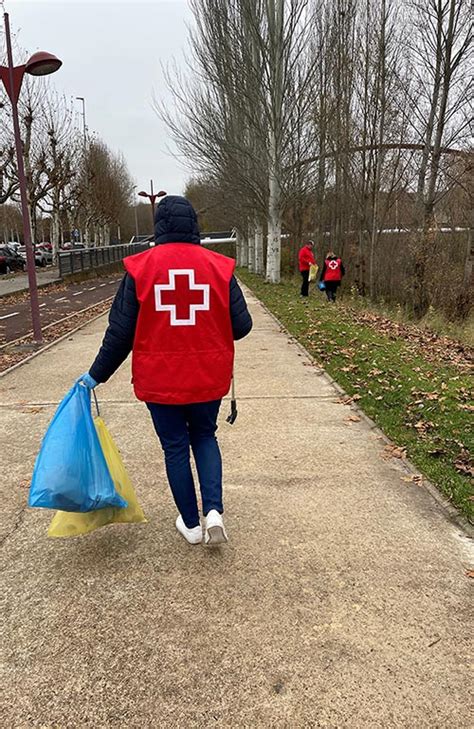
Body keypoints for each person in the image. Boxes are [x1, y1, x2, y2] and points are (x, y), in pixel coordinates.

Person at [76, 195, 252, 546]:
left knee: (175, 447)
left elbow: (120, 333)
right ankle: (214, 511)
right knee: (205, 436)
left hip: (160, 379)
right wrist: (208, 326)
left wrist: (95, 375)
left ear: (159, 227)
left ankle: (190, 524)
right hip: (207, 375)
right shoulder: (219, 266)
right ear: (195, 226)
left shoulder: (140, 268)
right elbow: (242, 325)